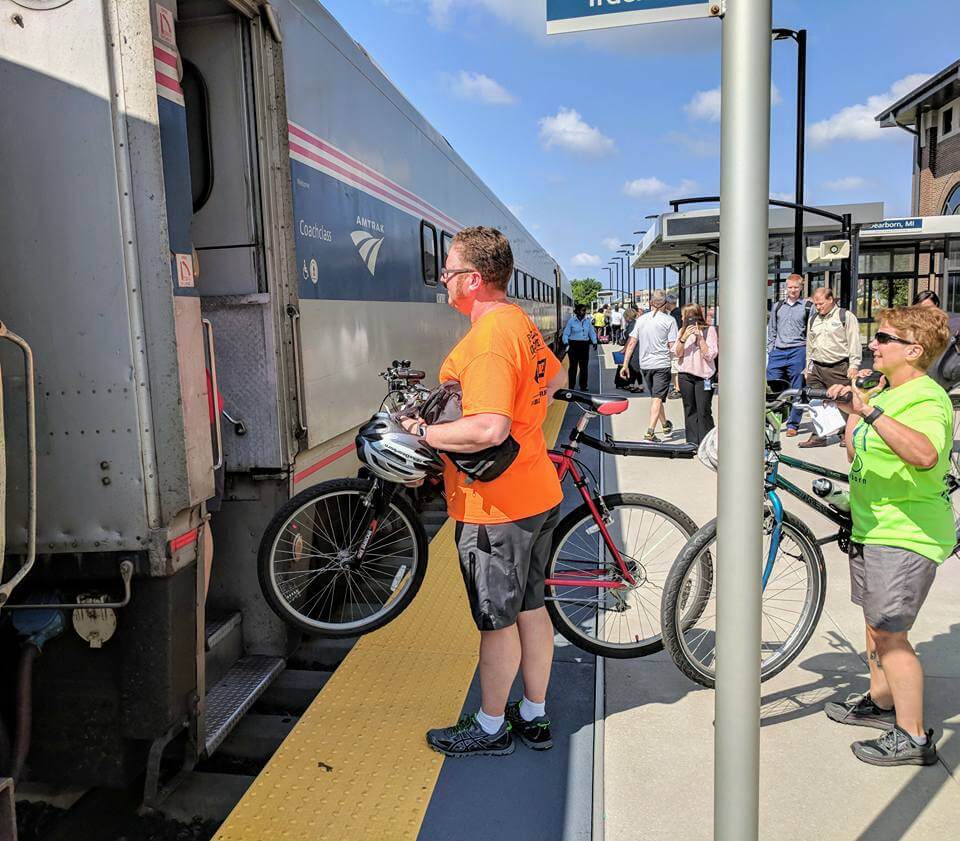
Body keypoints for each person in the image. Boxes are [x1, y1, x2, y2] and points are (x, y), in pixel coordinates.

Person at [405, 226, 566, 758]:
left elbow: (489, 429)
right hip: (537, 491)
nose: (444, 280)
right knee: (531, 607)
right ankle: (534, 715)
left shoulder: (489, 339)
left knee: (497, 623)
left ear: (472, 280)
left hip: (496, 506)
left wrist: (425, 433)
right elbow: (555, 376)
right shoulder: (518, 322)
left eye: (448, 271)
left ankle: (491, 728)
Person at [823, 305, 951, 767]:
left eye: (883, 338)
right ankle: (881, 700)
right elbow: (854, 446)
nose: (872, 344)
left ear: (913, 350)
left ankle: (913, 736)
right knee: (875, 622)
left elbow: (924, 454)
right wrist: (851, 410)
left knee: (891, 634)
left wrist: (871, 411)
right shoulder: (888, 390)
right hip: (875, 526)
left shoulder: (927, 398)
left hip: (907, 532)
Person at [799, 287, 862, 448]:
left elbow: (854, 341)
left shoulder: (845, 316)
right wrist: (808, 367)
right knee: (817, 402)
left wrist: (854, 365)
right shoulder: (813, 318)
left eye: (820, 304)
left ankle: (844, 433)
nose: (818, 307)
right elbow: (810, 344)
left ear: (830, 299)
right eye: (815, 304)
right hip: (817, 367)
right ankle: (819, 436)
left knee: (842, 400)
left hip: (838, 366)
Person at [619, 290, 677, 441]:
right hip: (662, 364)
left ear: (651, 303)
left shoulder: (641, 320)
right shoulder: (669, 321)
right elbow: (673, 346)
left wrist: (625, 364)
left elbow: (631, 343)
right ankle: (650, 432)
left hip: (645, 365)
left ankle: (665, 425)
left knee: (655, 397)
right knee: (657, 398)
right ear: (665, 304)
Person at [766, 275, 812, 437]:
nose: (792, 291)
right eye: (790, 287)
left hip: (798, 351)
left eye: (796, 288)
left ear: (801, 288)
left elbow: (811, 332)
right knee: (771, 387)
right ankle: (771, 420)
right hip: (778, 352)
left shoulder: (807, 306)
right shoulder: (778, 306)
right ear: (786, 288)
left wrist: (808, 355)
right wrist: (771, 350)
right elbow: (772, 330)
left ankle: (793, 424)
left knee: (796, 389)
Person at [673, 303, 718, 447]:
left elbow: (710, 355)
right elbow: (677, 353)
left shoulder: (709, 330)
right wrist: (683, 338)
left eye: (684, 316)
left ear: (693, 316)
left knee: (704, 410)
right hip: (685, 375)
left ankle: (707, 443)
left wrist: (700, 338)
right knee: (689, 409)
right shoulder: (682, 331)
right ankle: (692, 443)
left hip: (704, 376)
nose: (682, 318)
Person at [562, 304, 598, 391]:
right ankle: (571, 387)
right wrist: (566, 342)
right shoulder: (571, 321)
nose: (584, 312)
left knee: (584, 367)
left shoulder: (587, 321)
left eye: (585, 310)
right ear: (577, 311)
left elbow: (591, 332)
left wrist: (594, 341)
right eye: (582, 310)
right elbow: (566, 333)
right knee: (573, 367)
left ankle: (583, 386)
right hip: (573, 346)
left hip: (584, 346)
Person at [666, 294, 682, 400]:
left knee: (675, 367)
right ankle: (677, 387)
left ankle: (677, 388)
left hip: (676, 345)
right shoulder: (678, 312)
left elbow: (675, 332)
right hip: (679, 344)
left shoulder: (674, 315)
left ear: (668, 303)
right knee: (675, 367)